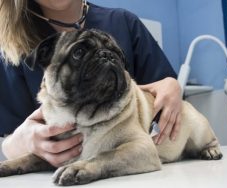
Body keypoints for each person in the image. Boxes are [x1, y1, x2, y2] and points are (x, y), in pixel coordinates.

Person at [0, 0, 182, 167]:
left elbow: (167, 112)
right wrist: (12, 145)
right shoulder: (9, 49)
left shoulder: (124, 23)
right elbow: (5, 136)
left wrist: (171, 86)